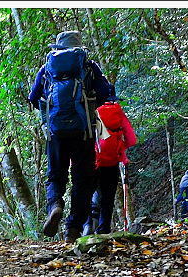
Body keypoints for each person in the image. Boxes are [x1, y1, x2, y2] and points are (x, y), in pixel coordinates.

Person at [29, 30, 112, 243]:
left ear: (57, 48)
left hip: (55, 132)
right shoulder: (88, 66)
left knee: (55, 175)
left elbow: (33, 96)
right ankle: (73, 228)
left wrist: (50, 112)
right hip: (83, 131)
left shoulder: (47, 68)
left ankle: (55, 205)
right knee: (82, 179)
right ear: (79, 47)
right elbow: (105, 93)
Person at [82, 94, 137, 235]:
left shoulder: (89, 111)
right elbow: (132, 139)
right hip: (112, 162)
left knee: (87, 195)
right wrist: (119, 148)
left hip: (91, 161)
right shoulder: (118, 112)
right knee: (108, 198)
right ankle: (104, 228)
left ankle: (87, 225)